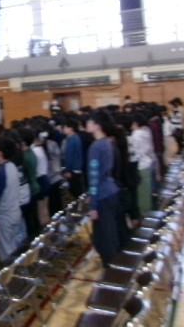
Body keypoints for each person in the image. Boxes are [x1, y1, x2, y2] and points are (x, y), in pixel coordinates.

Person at [86, 111, 128, 267]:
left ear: (97, 126)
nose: (87, 124)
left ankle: (112, 271)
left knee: (104, 239)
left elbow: (94, 176)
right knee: (112, 234)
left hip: (103, 195)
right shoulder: (107, 143)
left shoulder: (96, 146)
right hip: (111, 191)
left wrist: (93, 205)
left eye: (90, 122)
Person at [0, 137, 26, 263]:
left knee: (5, 251)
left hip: (5, 216)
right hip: (15, 212)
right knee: (13, 246)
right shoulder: (12, 166)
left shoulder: (0, 172)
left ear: (0, 153)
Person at [62, 118, 85, 198]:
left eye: (65, 127)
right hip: (77, 168)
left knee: (75, 190)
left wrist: (68, 170)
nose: (64, 129)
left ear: (71, 128)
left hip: (73, 169)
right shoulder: (76, 137)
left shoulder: (71, 139)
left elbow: (69, 156)